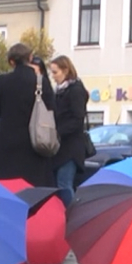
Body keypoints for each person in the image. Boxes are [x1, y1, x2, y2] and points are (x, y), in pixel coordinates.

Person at [0, 43, 56, 187]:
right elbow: (51, 107)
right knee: (34, 189)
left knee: (6, 187)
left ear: (11, 61)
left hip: (6, 144)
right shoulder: (41, 82)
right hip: (34, 143)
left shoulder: (3, 81)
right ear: (30, 58)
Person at [49, 55, 88, 207]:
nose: (53, 76)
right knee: (60, 184)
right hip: (60, 146)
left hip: (71, 146)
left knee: (64, 183)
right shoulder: (59, 91)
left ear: (66, 70)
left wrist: (57, 132)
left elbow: (78, 119)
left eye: (55, 72)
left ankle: (72, 215)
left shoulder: (76, 90)